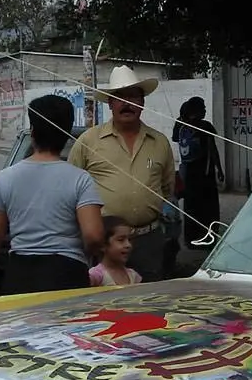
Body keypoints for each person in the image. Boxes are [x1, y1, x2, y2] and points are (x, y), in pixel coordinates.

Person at [0, 94, 104, 295]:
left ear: (32, 132)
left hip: (21, 273)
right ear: (66, 134)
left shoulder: (7, 177)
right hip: (68, 273)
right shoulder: (80, 179)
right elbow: (93, 236)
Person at [70, 65, 176, 281]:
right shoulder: (89, 141)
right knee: (106, 305)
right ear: (110, 103)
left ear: (142, 102)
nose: (127, 103)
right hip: (104, 243)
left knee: (149, 301)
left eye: (133, 97)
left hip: (148, 241)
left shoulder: (160, 142)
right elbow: (70, 189)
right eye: (120, 97)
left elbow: (167, 188)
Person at [173, 96, 224, 247]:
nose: (205, 110)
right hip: (205, 175)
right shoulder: (205, 126)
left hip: (188, 175)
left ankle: (190, 239)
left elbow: (176, 138)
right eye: (203, 108)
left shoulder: (181, 126)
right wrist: (219, 169)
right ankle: (209, 239)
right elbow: (212, 150)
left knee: (191, 208)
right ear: (197, 110)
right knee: (209, 209)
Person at [88, 216, 143, 287]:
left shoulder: (133, 275)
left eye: (129, 240)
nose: (128, 245)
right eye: (121, 240)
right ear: (103, 245)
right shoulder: (96, 275)